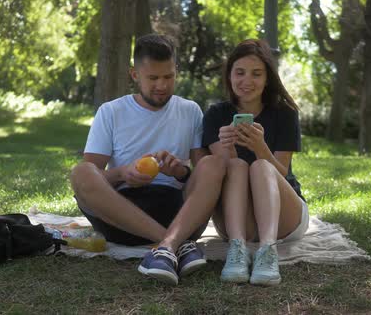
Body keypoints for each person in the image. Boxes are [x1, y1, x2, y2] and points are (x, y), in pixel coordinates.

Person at [70, 34, 225, 285]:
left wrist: (180, 172)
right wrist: (123, 174)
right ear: (134, 75)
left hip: (178, 213)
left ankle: (166, 246)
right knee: (81, 172)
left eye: (168, 77)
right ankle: (174, 245)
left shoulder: (190, 110)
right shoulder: (111, 112)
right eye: (153, 78)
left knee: (213, 163)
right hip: (122, 217)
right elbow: (93, 178)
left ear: (176, 71)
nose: (162, 85)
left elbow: (201, 174)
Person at [202, 39, 309, 286]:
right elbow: (222, 176)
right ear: (229, 75)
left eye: (256, 74)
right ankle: (237, 250)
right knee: (237, 166)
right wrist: (227, 148)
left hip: (284, 216)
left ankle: (268, 250)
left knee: (261, 166)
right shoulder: (215, 115)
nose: (247, 81)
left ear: (267, 78)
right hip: (240, 220)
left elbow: (282, 173)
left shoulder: (285, 113)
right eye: (239, 72)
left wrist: (260, 147)